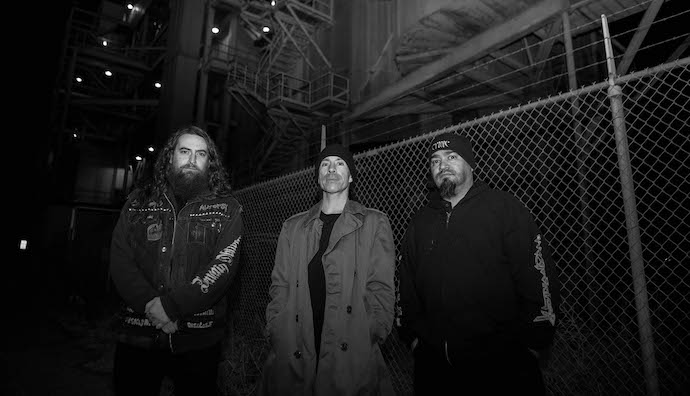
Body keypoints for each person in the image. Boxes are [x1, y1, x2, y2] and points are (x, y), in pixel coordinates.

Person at [397, 132, 560, 395]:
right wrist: (414, 338)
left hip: (502, 366)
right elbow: (406, 285)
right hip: (435, 369)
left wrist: (532, 343)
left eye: (452, 157)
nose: (442, 165)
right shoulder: (420, 222)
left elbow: (538, 276)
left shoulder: (504, 209)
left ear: (471, 164)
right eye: (435, 160)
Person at [109, 125, 243, 396]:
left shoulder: (228, 208)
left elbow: (223, 266)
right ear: (170, 157)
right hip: (138, 334)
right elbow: (121, 260)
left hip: (198, 339)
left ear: (210, 162)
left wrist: (172, 307)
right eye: (184, 151)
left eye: (201, 154)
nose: (192, 159)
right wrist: (152, 306)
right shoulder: (137, 203)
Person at [261, 144, 396, 396]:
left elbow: (381, 287)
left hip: (351, 345)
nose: (332, 169)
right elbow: (280, 284)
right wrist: (276, 329)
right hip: (296, 342)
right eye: (325, 164)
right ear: (318, 176)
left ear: (351, 176)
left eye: (340, 163)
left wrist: (371, 331)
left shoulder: (374, 222)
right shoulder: (293, 227)